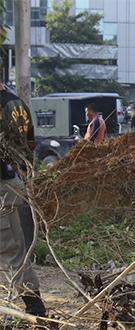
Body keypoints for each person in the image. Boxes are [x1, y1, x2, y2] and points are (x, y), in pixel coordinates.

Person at [0, 85, 47, 317]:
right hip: (14, 182)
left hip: (3, 187)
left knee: (12, 251)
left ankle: (35, 309)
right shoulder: (17, 104)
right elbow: (30, 145)